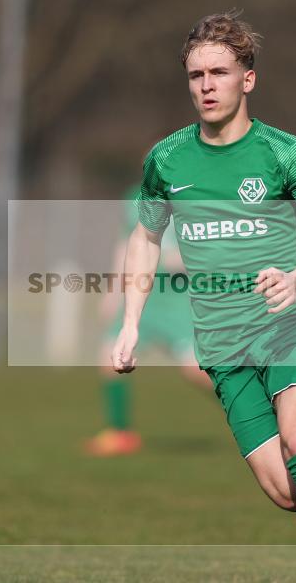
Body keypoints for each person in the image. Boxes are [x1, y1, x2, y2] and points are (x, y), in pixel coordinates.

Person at [111, 11, 296, 581]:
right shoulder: (167, 161)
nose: (206, 86)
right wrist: (130, 324)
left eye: (219, 73)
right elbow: (145, 237)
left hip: (294, 323)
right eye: (196, 75)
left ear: (248, 79)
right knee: (290, 491)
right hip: (224, 344)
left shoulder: (283, 154)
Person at [85, 185, 211, 457]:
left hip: (178, 298)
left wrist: (185, 261)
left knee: (197, 371)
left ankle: (258, 414)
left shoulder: (198, 195)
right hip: (140, 295)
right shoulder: (134, 199)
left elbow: (214, 245)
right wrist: (113, 290)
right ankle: (120, 433)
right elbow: (127, 244)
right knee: (110, 356)